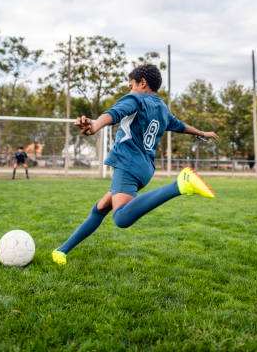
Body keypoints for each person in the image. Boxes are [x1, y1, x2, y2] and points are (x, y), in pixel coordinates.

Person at [52, 64, 219, 265]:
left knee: (121, 218)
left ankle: (180, 185)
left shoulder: (135, 99)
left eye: (131, 85)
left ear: (142, 83)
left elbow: (114, 113)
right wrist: (202, 134)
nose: (129, 90)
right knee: (101, 208)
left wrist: (95, 125)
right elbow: (181, 126)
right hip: (145, 169)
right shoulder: (162, 109)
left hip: (128, 163)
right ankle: (62, 250)